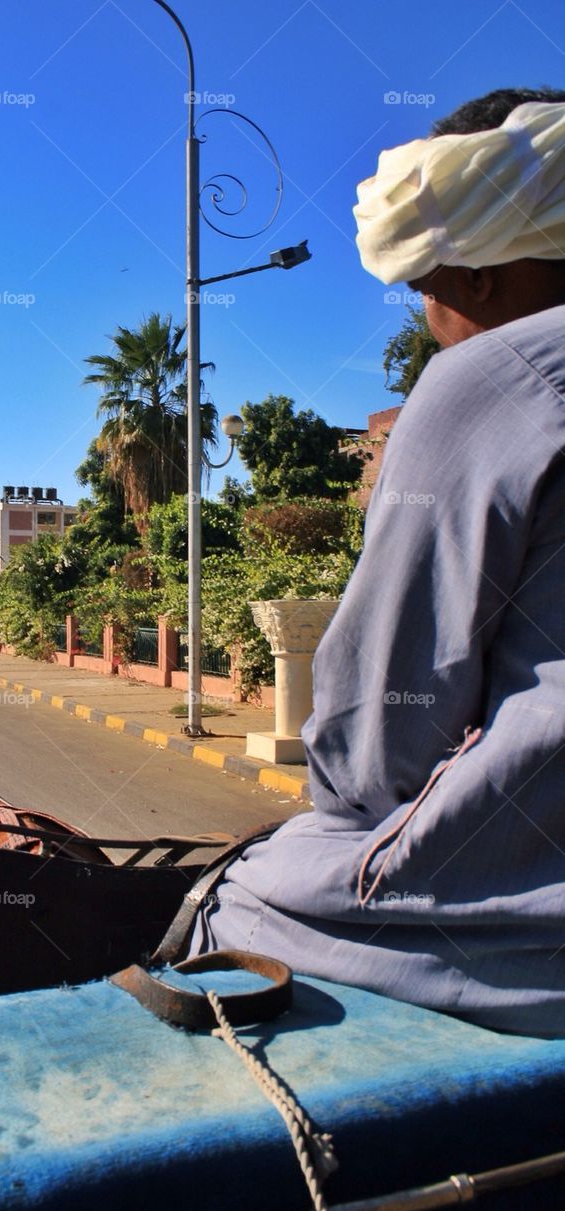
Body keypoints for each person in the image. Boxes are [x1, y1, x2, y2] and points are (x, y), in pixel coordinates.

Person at [193, 89, 565, 1037]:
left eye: (425, 289)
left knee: (231, 897)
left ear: (475, 277)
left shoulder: (489, 376)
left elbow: (375, 744)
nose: (428, 316)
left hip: (528, 913)